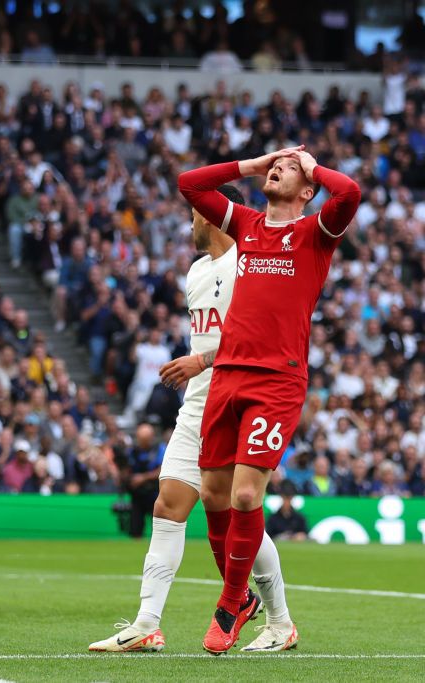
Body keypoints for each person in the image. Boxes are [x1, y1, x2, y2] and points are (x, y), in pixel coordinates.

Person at [90, 186, 297, 654]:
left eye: (194, 214)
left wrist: (201, 360)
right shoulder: (197, 271)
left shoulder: (250, 262)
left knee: (239, 509)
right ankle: (147, 624)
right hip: (198, 405)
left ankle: (280, 621)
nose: (190, 223)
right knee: (168, 506)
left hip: (239, 401)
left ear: (213, 215)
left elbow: (263, 339)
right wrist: (201, 366)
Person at [178, 145, 360, 653]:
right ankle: (243, 603)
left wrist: (311, 166)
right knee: (213, 495)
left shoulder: (316, 232)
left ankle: (229, 603)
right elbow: (190, 183)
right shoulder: (247, 225)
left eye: (289, 169)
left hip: (277, 380)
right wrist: (254, 165)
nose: (280, 167)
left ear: (307, 190)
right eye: (277, 165)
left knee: (243, 494)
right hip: (228, 376)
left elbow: (349, 191)